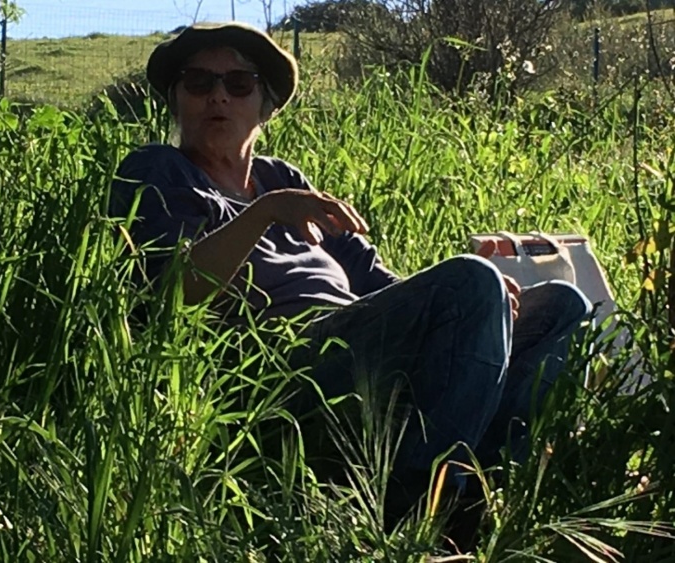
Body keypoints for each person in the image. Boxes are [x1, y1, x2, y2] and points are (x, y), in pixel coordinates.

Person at [108, 21, 592, 536]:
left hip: (354, 341)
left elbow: (378, 283)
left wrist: (481, 304)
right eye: (198, 82)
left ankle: (484, 495)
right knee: (471, 283)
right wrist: (264, 214)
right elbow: (174, 294)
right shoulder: (160, 169)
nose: (218, 96)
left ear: (265, 105)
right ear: (175, 100)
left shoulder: (282, 179)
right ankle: (416, 512)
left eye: (239, 83)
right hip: (276, 367)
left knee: (562, 304)